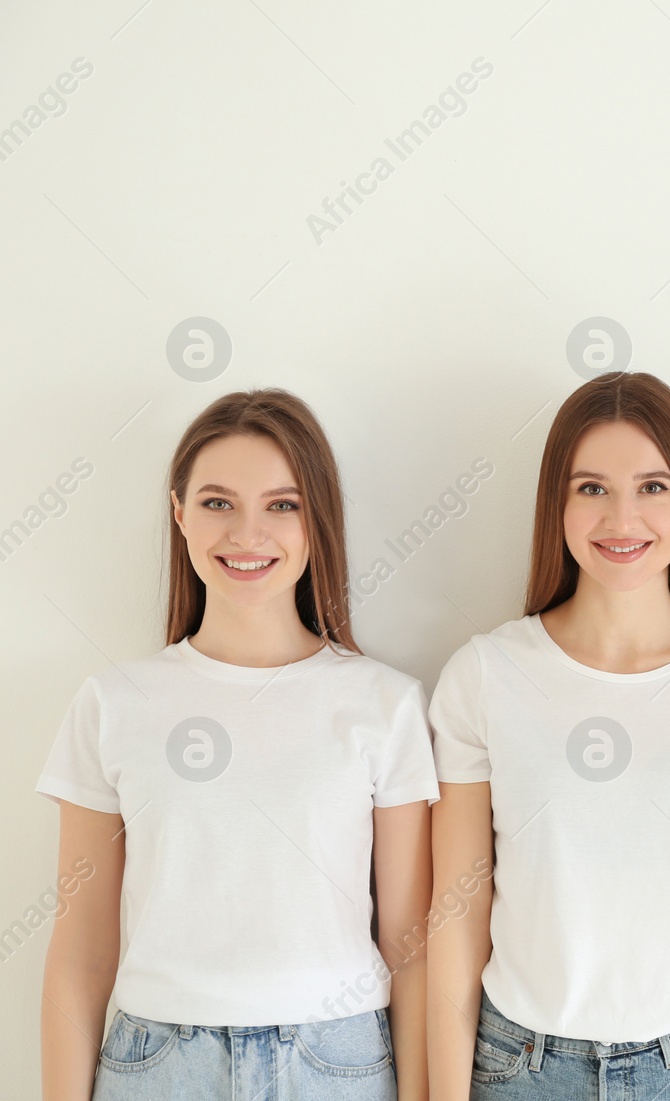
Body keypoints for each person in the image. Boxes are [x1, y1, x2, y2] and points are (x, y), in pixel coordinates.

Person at [38, 388, 438, 1100]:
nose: (248, 533)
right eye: (219, 502)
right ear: (179, 512)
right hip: (156, 1064)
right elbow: (80, 956)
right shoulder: (113, 704)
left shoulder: (385, 704)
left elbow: (409, 945)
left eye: (282, 504)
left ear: (318, 520)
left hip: (337, 1063)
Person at [427, 371, 670, 1100]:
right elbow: (457, 909)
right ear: (558, 503)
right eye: (591, 488)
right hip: (523, 1065)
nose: (622, 517)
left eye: (652, 486)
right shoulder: (486, 674)